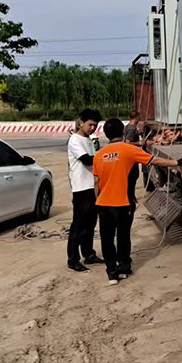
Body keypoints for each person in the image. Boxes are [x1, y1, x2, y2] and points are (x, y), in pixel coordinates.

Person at [93, 118, 182, 285]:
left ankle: (112, 273)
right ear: (123, 131)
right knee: (123, 236)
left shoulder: (98, 155)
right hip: (123, 203)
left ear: (106, 134)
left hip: (103, 204)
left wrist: (98, 200)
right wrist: (176, 162)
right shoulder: (128, 150)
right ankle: (124, 267)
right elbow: (154, 160)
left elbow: (96, 183)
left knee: (107, 239)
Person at [66, 108, 103, 272]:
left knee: (90, 223)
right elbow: (87, 160)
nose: (92, 128)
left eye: (95, 125)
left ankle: (89, 254)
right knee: (79, 225)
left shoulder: (89, 139)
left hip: (92, 187)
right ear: (81, 123)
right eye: (90, 125)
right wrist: (105, 157)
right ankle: (73, 259)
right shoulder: (75, 140)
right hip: (81, 188)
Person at [124, 111, 142, 209]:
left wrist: (141, 129)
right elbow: (127, 142)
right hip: (131, 156)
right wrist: (140, 143)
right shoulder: (131, 128)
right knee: (132, 177)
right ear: (137, 117)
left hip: (130, 157)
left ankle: (131, 196)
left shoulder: (129, 126)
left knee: (132, 177)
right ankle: (130, 197)